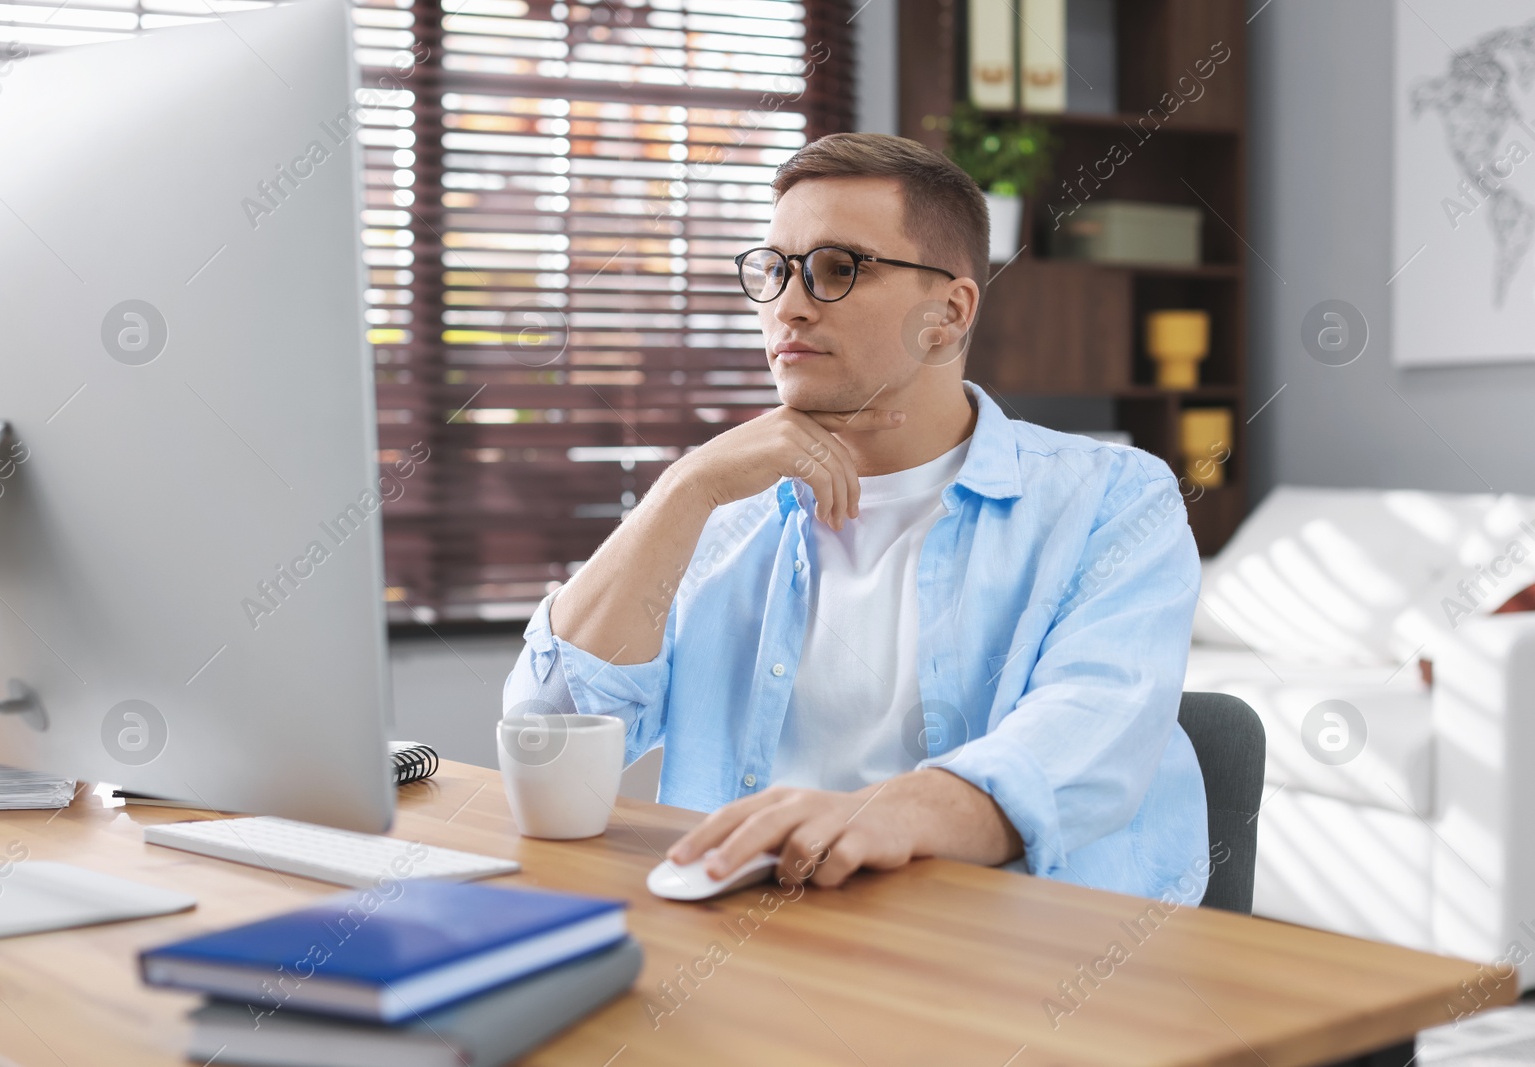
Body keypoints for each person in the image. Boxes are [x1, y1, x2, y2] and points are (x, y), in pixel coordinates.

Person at [503, 132, 1209, 902]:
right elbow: (549, 734)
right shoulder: (718, 512)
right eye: (774, 270)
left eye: (838, 270)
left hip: (1019, 965)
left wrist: (881, 816)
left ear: (949, 310)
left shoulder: (1113, 499)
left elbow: (1093, 729)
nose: (789, 306)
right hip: (747, 946)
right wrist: (685, 488)